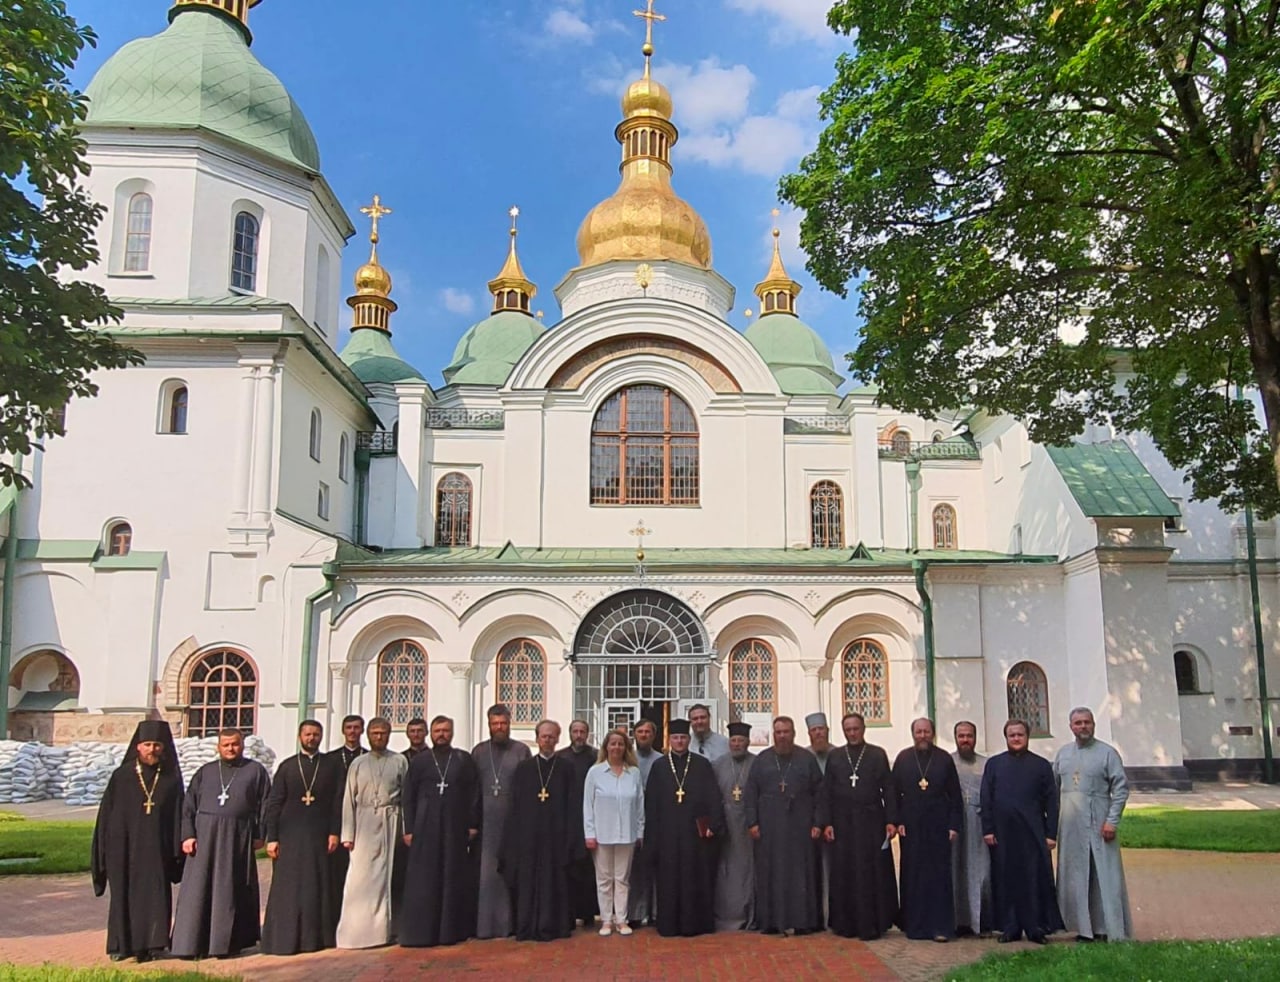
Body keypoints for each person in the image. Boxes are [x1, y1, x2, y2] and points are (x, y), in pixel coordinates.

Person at [170, 728, 272, 959]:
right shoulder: (205, 771)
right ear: (218, 747)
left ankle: (227, 944)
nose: (230, 749)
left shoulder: (255, 771)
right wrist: (188, 835)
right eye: (225, 745)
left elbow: (266, 805)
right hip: (205, 838)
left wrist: (260, 834)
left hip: (237, 837)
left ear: (242, 745)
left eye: (235, 744)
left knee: (231, 888)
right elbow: (188, 806)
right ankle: (191, 944)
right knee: (198, 889)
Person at [91, 719, 184, 963]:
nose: (152, 750)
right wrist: (102, 851)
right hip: (123, 849)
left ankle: (154, 944)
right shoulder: (121, 777)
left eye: (157, 745)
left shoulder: (171, 779)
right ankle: (121, 945)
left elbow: (178, 816)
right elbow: (106, 816)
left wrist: (177, 851)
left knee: (155, 895)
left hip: (157, 849)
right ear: (138, 747)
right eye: (147, 744)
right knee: (123, 895)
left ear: (163, 748)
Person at [261, 720, 344, 955]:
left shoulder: (331, 766)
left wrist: (334, 832)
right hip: (289, 836)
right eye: (308, 734)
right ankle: (284, 939)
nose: (311, 738)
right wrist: (272, 837)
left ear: (321, 736)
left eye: (316, 734)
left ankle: (315, 939)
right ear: (300, 737)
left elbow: (337, 802)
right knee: (288, 887)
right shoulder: (287, 766)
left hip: (320, 835)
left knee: (317, 885)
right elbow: (274, 803)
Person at [400, 715, 481, 947]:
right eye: (437, 731)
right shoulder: (420, 761)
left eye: (445, 730)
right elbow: (408, 796)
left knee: (452, 875)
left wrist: (472, 824)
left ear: (452, 732)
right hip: (425, 828)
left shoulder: (463, 759)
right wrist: (408, 829)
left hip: (455, 827)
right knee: (425, 879)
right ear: (431, 734)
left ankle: (451, 931)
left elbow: (474, 793)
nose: (441, 734)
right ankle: (423, 932)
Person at [1053, 707, 1133, 942]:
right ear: (1071, 727)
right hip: (1070, 825)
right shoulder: (1063, 754)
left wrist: (1112, 821)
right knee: (1076, 875)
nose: (1083, 727)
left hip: (1099, 821)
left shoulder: (1108, 753)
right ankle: (1082, 928)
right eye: (1078, 723)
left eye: (1087, 722)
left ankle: (1107, 927)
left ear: (1094, 724)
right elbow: (1053, 789)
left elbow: (1120, 789)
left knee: (1104, 875)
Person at [981, 719, 1064, 944]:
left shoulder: (1041, 765)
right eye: (1012, 735)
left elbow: (1052, 802)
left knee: (1033, 879)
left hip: (1033, 832)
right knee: (1006, 879)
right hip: (1003, 833)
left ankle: (1035, 927)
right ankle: (1010, 927)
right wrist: (988, 829)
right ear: (1006, 738)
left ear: (1027, 737)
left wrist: (1051, 834)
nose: (1016, 738)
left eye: (1020, 734)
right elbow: (986, 798)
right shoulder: (994, 764)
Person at [644, 718, 724, 937]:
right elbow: (651, 804)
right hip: (667, 834)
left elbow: (713, 797)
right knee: (668, 879)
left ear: (689, 740)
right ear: (669, 740)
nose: (679, 741)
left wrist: (713, 824)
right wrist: (652, 837)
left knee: (693, 877)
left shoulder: (701, 764)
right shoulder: (659, 766)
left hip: (693, 835)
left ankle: (694, 925)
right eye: (675, 738)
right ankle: (668, 925)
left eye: (683, 738)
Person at [745, 716, 825, 936]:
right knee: (771, 873)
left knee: (800, 874)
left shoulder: (806, 759)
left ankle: (802, 922)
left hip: (801, 827)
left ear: (794, 733)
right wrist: (752, 822)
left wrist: (818, 823)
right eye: (778, 732)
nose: (782, 736)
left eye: (786, 732)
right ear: (773, 734)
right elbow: (751, 793)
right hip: (769, 828)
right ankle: (771, 922)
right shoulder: (762, 760)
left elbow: (820, 794)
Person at [823, 712, 898, 941]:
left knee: (870, 872)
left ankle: (872, 923)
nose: (852, 733)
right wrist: (827, 822)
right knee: (845, 871)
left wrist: (891, 820)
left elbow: (889, 788)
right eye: (848, 730)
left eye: (856, 729)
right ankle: (846, 924)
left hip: (871, 821)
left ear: (863, 729)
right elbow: (827, 792)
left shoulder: (877, 754)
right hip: (842, 822)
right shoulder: (835, 756)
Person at [335, 717, 408, 949]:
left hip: (390, 820)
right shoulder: (358, 763)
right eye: (375, 733)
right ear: (367, 735)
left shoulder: (399, 761)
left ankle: (383, 931)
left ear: (389, 734)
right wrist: (348, 834)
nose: (379, 737)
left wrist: (405, 830)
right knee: (358, 879)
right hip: (363, 822)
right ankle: (354, 933)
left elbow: (406, 797)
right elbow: (349, 799)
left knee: (386, 877)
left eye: (383, 733)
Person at [500, 720, 576, 942]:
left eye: (552, 736)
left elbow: (572, 805)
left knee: (554, 881)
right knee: (528, 882)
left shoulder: (566, 768)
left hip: (556, 837)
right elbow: (515, 805)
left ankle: (554, 926)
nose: (548, 740)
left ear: (558, 739)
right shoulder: (524, 769)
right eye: (544, 736)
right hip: (528, 837)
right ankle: (527, 926)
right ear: (537, 739)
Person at [892, 717, 962, 942]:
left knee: (939, 876)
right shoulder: (903, 758)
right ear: (913, 734)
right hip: (911, 826)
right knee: (913, 875)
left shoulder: (944, 759)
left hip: (938, 825)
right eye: (919, 732)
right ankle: (915, 927)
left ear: (933, 733)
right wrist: (897, 820)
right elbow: (894, 794)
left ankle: (940, 927)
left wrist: (953, 825)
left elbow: (955, 795)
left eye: (926, 731)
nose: (923, 736)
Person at [472, 703, 531, 939]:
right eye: (495, 723)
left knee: (511, 872)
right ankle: (485, 927)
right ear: (489, 725)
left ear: (509, 724)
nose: (499, 727)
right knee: (486, 875)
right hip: (486, 823)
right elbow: (472, 790)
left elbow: (527, 787)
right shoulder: (478, 752)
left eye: (503, 723)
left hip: (513, 821)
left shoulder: (521, 751)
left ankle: (511, 925)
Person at [583, 729, 645, 937]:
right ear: (606, 747)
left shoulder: (633, 773)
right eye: (613, 743)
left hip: (627, 833)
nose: (616, 747)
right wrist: (589, 833)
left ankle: (621, 919)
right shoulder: (595, 772)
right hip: (602, 833)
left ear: (626, 747)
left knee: (622, 879)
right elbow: (588, 805)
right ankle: (606, 920)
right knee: (604, 879)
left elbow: (640, 805)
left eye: (620, 744)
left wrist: (640, 831)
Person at [712, 720, 756, 931]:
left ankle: (750, 915)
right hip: (726, 826)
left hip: (748, 826)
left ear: (748, 742)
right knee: (726, 871)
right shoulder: (718, 764)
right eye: (733, 740)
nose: (737, 744)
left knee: (748, 870)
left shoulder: (757, 763)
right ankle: (726, 916)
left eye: (740, 740)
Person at [951, 720, 992, 935]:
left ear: (975, 738)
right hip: (955, 823)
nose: (965, 740)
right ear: (955, 738)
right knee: (956, 870)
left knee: (981, 871)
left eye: (969, 736)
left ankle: (980, 921)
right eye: (961, 736)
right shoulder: (948, 762)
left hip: (978, 822)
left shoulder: (986, 764)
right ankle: (959, 921)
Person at [557, 718, 599, 926]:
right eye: (575, 731)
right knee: (569, 866)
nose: (579, 735)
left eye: (583, 731)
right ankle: (569, 911)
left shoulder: (596, 756)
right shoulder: (561, 757)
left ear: (588, 733)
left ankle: (588, 912)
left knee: (589, 868)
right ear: (570, 733)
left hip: (592, 816)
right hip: (567, 817)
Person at [327, 714, 366, 924]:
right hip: (336, 821)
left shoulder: (368, 757)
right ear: (343, 730)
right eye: (349, 728)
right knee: (336, 874)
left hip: (363, 824)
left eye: (356, 728)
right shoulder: (330, 759)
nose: (352, 731)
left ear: (362, 730)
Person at [626, 718, 660, 928]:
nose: (644, 735)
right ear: (634, 735)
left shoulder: (661, 760)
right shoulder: (628, 760)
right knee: (634, 869)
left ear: (654, 736)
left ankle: (655, 911)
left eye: (648, 732)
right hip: (631, 820)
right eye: (640, 732)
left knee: (655, 867)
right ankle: (635, 913)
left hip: (655, 820)